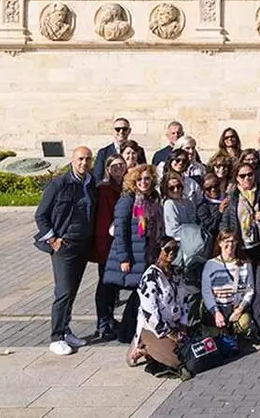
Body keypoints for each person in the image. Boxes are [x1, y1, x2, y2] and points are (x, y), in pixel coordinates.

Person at [37, 145, 97, 356]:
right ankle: (56, 337)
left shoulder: (90, 183)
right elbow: (41, 215)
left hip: (83, 245)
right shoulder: (59, 184)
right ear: (73, 160)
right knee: (63, 292)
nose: (84, 163)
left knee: (72, 291)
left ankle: (66, 329)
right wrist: (53, 239)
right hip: (65, 246)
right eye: (80, 159)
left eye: (88, 160)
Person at [103, 165, 164, 351]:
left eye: (147, 179)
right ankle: (126, 332)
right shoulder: (127, 200)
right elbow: (120, 231)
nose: (144, 183)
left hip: (148, 253)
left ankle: (134, 330)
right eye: (139, 180)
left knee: (143, 293)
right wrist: (124, 258)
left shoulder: (153, 198)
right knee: (138, 293)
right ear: (133, 182)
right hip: (134, 254)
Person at [134, 235, 191, 380]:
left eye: (175, 249)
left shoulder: (178, 272)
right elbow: (150, 314)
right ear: (159, 251)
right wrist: (170, 333)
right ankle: (145, 349)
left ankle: (154, 350)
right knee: (179, 360)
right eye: (167, 249)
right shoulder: (150, 277)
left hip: (176, 325)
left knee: (192, 350)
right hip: (154, 329)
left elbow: (185, 301)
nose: (172, 252)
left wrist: (183, 325)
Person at [91, 155, 125, 341]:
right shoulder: (104, 190)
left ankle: (110, 318)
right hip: (107, 244)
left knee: (113, 285)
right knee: (105, 284)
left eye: (121, 165)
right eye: (114, 165)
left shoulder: (125, 188)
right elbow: (104, 222)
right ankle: (102, 324)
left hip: (119, 243)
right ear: (107, 168)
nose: (119, 168)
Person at [220, 163, 260, 265]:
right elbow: (225, 222)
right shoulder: (232, 196)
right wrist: (228, 241)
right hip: (240, 246)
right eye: (242, 176)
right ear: (237, 178)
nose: (246, 178)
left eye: (250, 174)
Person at [200, 229, 254, 337]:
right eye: (226, 241)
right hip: (217, 307)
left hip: (235, 307)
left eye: (233, 241)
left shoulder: (245, 264)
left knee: (244, 322)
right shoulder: (210, 264)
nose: (230, 244)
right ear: (220, 243)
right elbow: (206, 291)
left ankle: (235, 333)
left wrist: (240, 309)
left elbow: (250, 289)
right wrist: (216, 312)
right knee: (214, 335)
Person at [95, 119, 146, 183]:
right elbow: (98, 178)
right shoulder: (103, 153)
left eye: (124, 129)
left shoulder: (139, 150)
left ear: (129, 131)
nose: (121, 131)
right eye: (117, 129)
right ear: (113, 131)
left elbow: (144, 172)